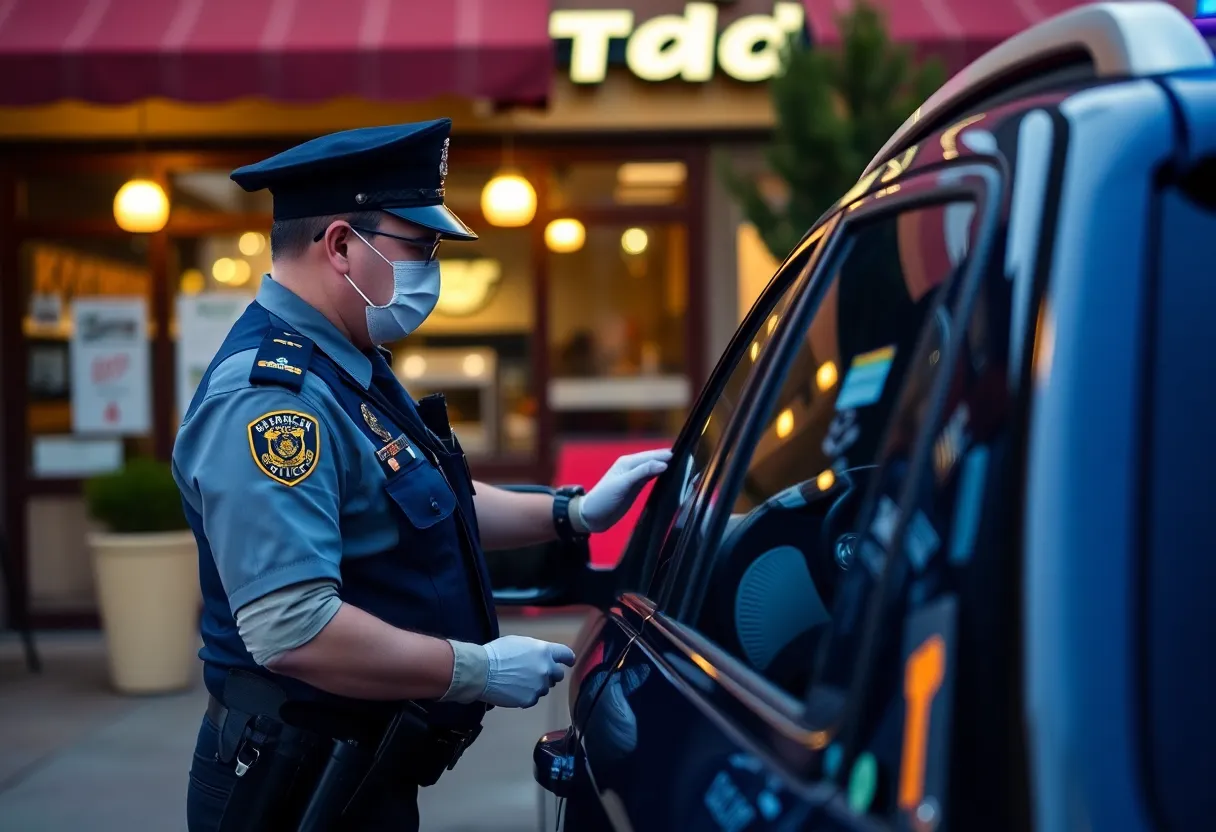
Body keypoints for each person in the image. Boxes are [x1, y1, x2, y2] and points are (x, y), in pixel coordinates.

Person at [173, 118, 670, 832]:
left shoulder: (348, 359)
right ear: (343, 245)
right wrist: (477, 669)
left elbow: (431, 497)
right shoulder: (271, 398)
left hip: (353, 770)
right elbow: (293, 627)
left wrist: (573, 512)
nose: (430, 269)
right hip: (289, 787)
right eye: (421, 247)